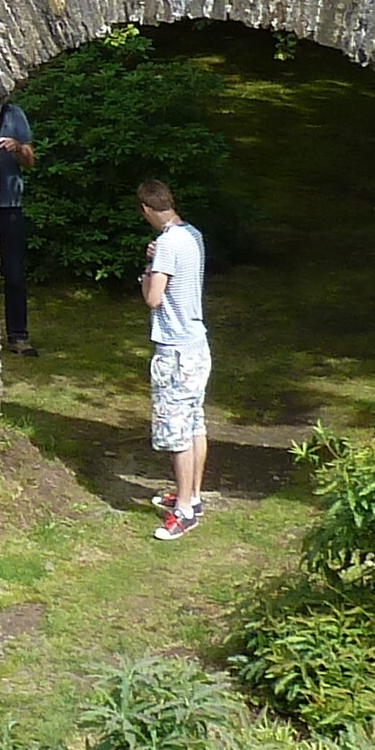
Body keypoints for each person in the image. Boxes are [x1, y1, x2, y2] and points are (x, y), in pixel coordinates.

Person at [138, 176, 210, 538]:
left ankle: (184, 513)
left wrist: (147, 272)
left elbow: (153, 298)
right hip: (197, 345)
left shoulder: (167, 243)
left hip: (175, 350)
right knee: (195, 422)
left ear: (147, 209)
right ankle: (192, 496)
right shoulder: (192, 235)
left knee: (176, 430)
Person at [0, 101, 38, 355]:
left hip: (9, 204)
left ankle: (18, 336)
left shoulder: (13, 113)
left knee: (15, 274)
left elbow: (30, 159)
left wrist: (18, 148)